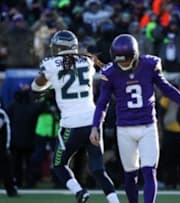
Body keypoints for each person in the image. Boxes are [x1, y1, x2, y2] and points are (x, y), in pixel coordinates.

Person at [90, 34, 180, 203]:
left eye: (125, 60)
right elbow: (102, 103)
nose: (122, 64)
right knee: (130, 175)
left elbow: (167, 89)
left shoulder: (148, 65)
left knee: (149, 171)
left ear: (135, 55)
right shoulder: (111, 73)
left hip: (147, 126)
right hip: (124, 128)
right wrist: (95, 126)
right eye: (119, 61)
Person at [31, 30, 120, 203]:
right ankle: (115, 201)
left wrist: (47, 88)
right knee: (98, 170)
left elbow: (37, 87)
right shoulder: (87, 61)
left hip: (71, 125)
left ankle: (79, 191)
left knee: (59, 164)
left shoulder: (50, 64)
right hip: (93, 122)